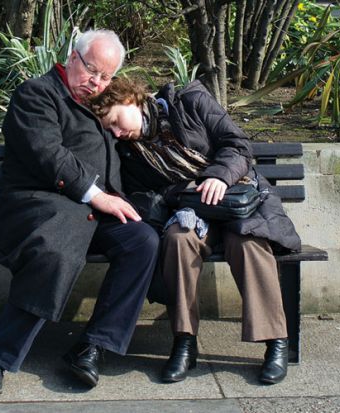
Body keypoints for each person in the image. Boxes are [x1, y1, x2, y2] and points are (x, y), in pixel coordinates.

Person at [0, 30, 160, 395]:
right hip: (39, 206)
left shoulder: (98, 102)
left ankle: (91, 347)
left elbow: (135, 121)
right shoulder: (36, 94)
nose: (98, 83)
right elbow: (48, 154)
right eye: (92, 71)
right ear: (73, 57)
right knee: (56, 249)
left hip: (91, 212)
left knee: (143, 241)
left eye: (106, 77)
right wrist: (95, 195)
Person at [89, 77, 302, 385]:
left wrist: (218, 176)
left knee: (247, 241)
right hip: (191, 211)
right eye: (111, 130)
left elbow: (237, 145)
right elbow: (143, 197)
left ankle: (275, 342)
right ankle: (184, 342)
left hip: (234, 199)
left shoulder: (189, 101)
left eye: (116, 121)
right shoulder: (129, 152)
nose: (118, 132)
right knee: (178, 239)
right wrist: (185, 194)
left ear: (130, 99)